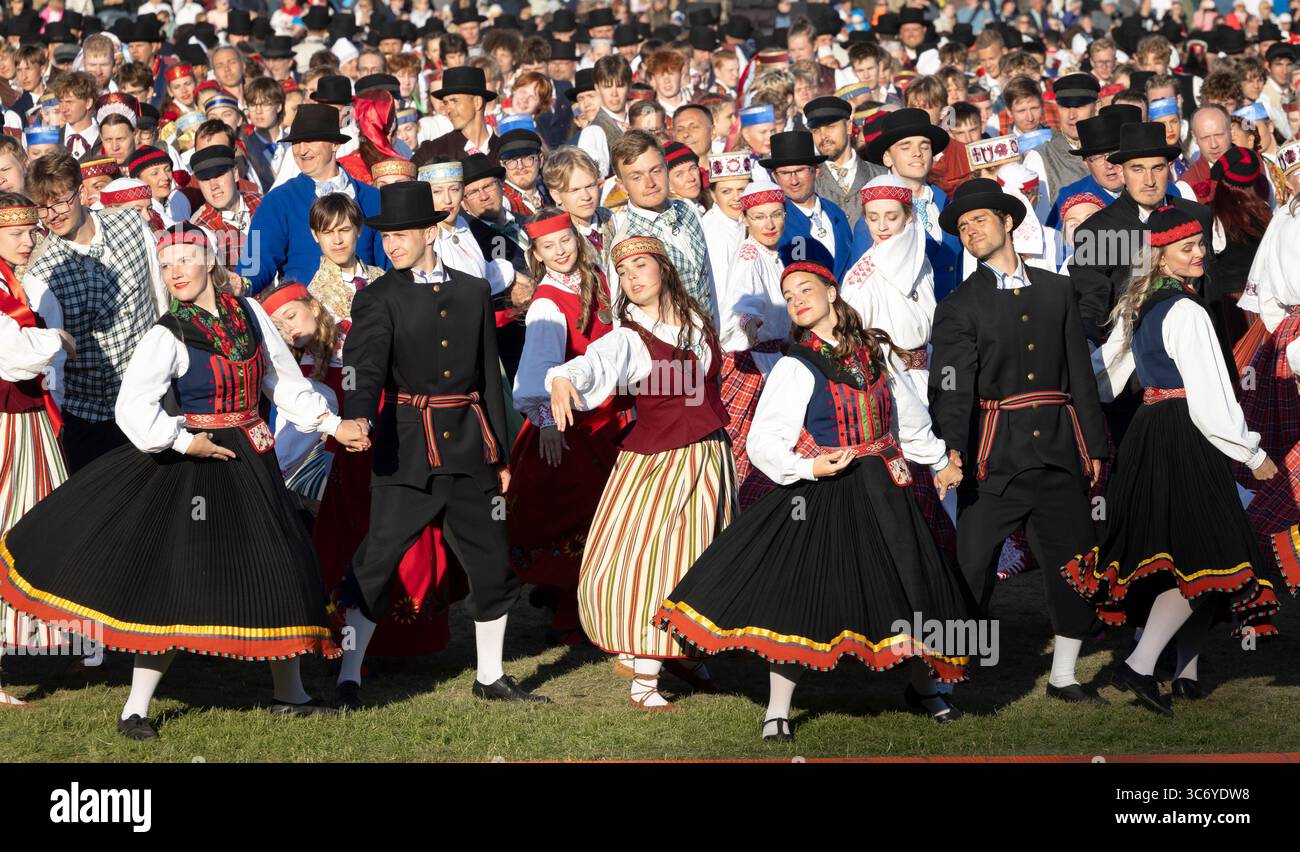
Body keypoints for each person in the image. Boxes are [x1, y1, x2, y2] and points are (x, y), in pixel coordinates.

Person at [0, 224, 370, 740]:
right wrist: (181, 441)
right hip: (196, 463)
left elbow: (282, 382)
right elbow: (132, 409)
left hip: (251, 457)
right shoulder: (166, 334)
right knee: (182, 581)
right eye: (166, 263)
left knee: (282, 563)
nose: (174, 272)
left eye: (185, 260)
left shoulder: (251, 314)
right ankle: (136, 709)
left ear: (210, 261)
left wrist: (334, 425)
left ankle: (292, 693)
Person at [658, 261, 970, 741]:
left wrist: (937, 460)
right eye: (788, 295)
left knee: (910, 583)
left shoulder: (876, 350)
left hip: (885, 486)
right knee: (804, 594)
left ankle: (924, 687)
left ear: (831, 290)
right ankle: (778, 709)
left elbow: (908, 418)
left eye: (806, 289)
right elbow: (764, 440)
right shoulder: (794, 363)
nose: (797, 299)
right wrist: (808, 468)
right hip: (828, 486)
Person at [337, 180, 547, 708]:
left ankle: (490, 676)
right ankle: (348, 674)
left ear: (431, 231)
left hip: (471, 449)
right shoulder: (378, 296)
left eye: (402, 235)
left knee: (491, 561)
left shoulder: (473, 290)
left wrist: (500, 453)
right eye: (385, 237)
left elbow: (486, 377)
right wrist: (359, 417)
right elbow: (363, 368)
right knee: (376, 561)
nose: (391, 246)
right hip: (405, 451)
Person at [1078, 206, 1281, 715]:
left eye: (1199, 245)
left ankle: (1186, 670)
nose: (1198, 254)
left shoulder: (1142, 304)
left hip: (1151, 432)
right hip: (1187, 433)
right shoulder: (1187, 312)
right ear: (1162, 256)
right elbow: (1211, 397)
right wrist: (1251, 452)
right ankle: (1140, 666)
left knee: (1201, 556)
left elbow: (1105, 377)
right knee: (1207, 557)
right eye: (1186, 248)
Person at [929, 178, 1109, 704]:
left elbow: (1081, 375)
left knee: (1075, 559)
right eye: (962, 227)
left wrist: (1095, 448)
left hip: (1059, 450)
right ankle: (946, 672)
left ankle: (1064, 676)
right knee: (971, 561)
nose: (970, 231)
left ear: (1009, 221)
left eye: (979, 220)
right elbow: (953, 388)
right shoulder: (958, 305)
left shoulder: (1057, 290)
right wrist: (952, 451)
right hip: (994, 459)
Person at [547, 235, 735, 710]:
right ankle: (644, 679)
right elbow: (594, 362)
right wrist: (564, 378)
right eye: (624, 273)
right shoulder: (629, 337)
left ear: (664, 269)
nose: (632, 278)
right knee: (654, 562)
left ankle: (685, 652)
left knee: (702, 558)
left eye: (640, 267)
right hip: (658, 465)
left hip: (708, 457)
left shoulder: (697, 323)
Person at [508, 209, 624, 647]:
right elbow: (537, 369)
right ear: (536, 254)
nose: (559, 252)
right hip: (569, 423)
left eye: (564, 242)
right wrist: (547, 422)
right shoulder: (547, 302)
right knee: (575, 517)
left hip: (607, 417)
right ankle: (569, 613)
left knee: (601, 513)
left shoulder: (596, 279)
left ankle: (590, 607)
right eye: (548, 247)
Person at [22, 150, 167, 473]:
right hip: (93, 420)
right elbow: (54, 365)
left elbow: (161, 297)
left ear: (82, 191)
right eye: (44, 208)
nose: (53, 215)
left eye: (60, 201)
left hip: (154, 398)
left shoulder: (129, 223)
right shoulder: (42, 274)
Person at [0, 194, 75, 708]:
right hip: (8, 426)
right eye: (18, 233)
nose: (30, 241)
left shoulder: (17, 282)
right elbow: (14, 360)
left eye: (32, 231)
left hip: (29, 425)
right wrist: (57, 340)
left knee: (30, 530)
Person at [238, 105, 387, 295]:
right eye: (296, 142)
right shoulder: (277, 201)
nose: (301, 150)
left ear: (335, 144)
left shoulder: (372, 198)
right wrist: (241, 284)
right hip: (307, 317)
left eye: (310, 141)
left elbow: (389, 263)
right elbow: (254, 262)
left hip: (370, 314)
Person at [718, 180, 792, 509]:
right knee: (749, 450)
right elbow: (740, 306)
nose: (769, 224)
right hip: (753, 365)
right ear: (745, 218)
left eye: (776, 215)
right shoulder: (750, 255)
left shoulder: (773, 254)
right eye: (760, 216)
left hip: (776, 359)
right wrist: (748, 322)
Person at [602, 130, 717, 321]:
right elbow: (622, 317)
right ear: (621, 185)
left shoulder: (688, 209)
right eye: (636, 177)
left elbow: (708, 281)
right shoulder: (626, 242)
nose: (650, 183)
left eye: (656, 170)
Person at [188, 144, 261, 275]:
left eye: (218, 175)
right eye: (205, 179)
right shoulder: (199, 228)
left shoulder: (262, 202)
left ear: (236, 173)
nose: (213, 186)